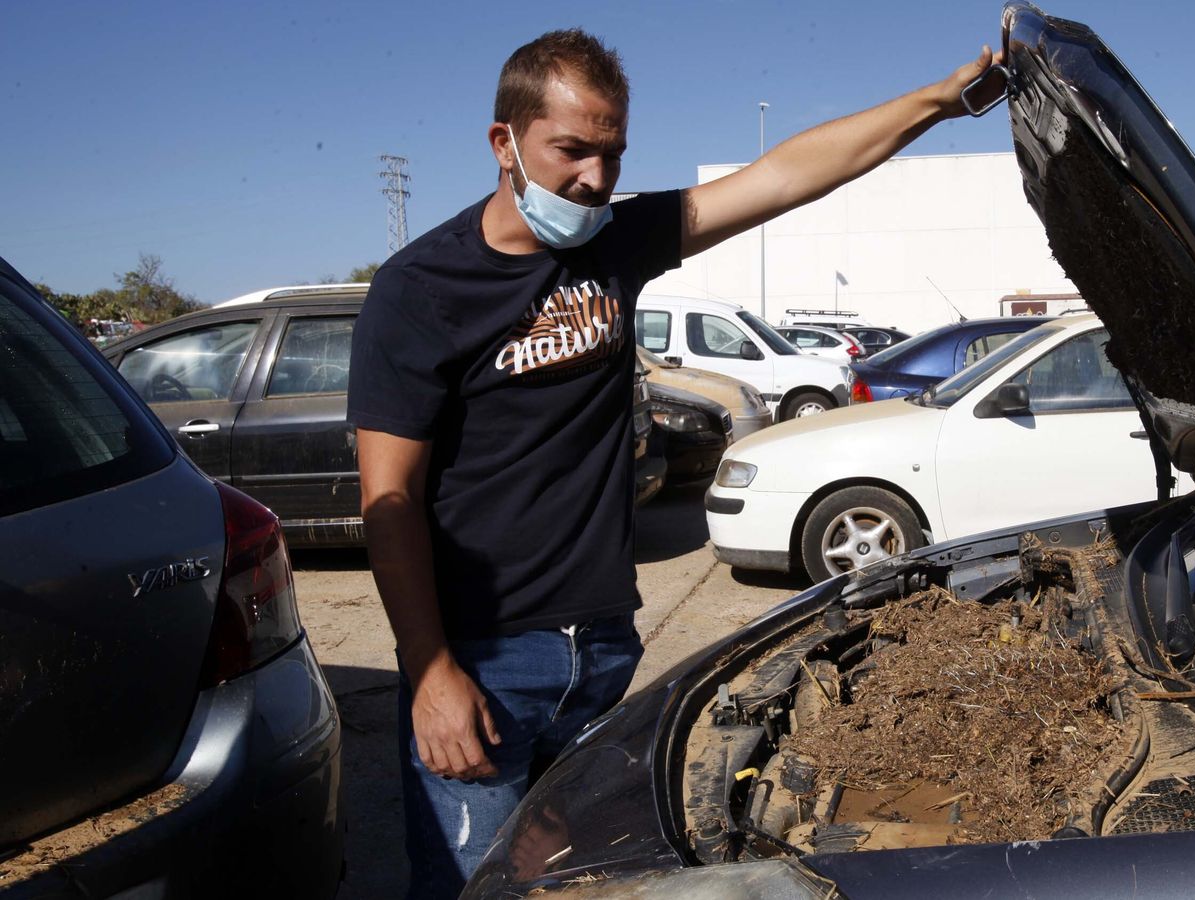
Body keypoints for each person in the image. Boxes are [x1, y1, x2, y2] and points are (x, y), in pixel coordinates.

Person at [348, 28, 1005, 898]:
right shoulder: (419, 290)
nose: (594, 178)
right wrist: (430, 672)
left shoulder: (615, 244)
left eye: (612, 154)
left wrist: (938, 100)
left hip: (604, 643)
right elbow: (387, 498)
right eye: (571, 150)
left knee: (572, 879)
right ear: (503, 141)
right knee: (468, 888)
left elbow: (785, 176)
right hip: (482, 656)